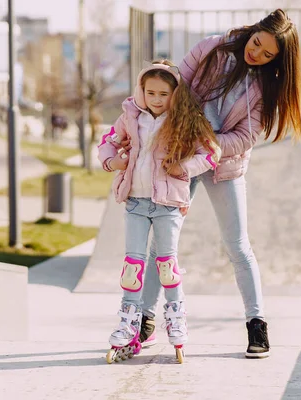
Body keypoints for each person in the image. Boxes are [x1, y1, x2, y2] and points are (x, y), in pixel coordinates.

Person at [129, 9, 301, 359]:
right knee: (160, 243)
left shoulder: (268, 86)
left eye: (268, 54)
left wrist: (211, 146)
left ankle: (257, 323)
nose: (257, 54)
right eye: (257, 44)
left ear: (278, 59)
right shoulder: (212, 48)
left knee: (238, 245)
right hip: (181, 158)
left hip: (225, 166)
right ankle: (144, 318)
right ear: (252, 31)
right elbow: (176, 90)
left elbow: (246, 137)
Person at [97, 60, 222, 361]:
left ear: (174, 94)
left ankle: (176, 319)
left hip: (168, 203)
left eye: (163, 94)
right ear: (141, 90)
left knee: (167, 264)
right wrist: (113, 162)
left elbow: (212, 153)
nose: (156, 99)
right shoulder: (130, 115)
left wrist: (184, 167)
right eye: (150, 92)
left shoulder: (185, 120)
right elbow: (108, 143)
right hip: (136, 201)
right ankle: (129, 322)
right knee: (133, 266)